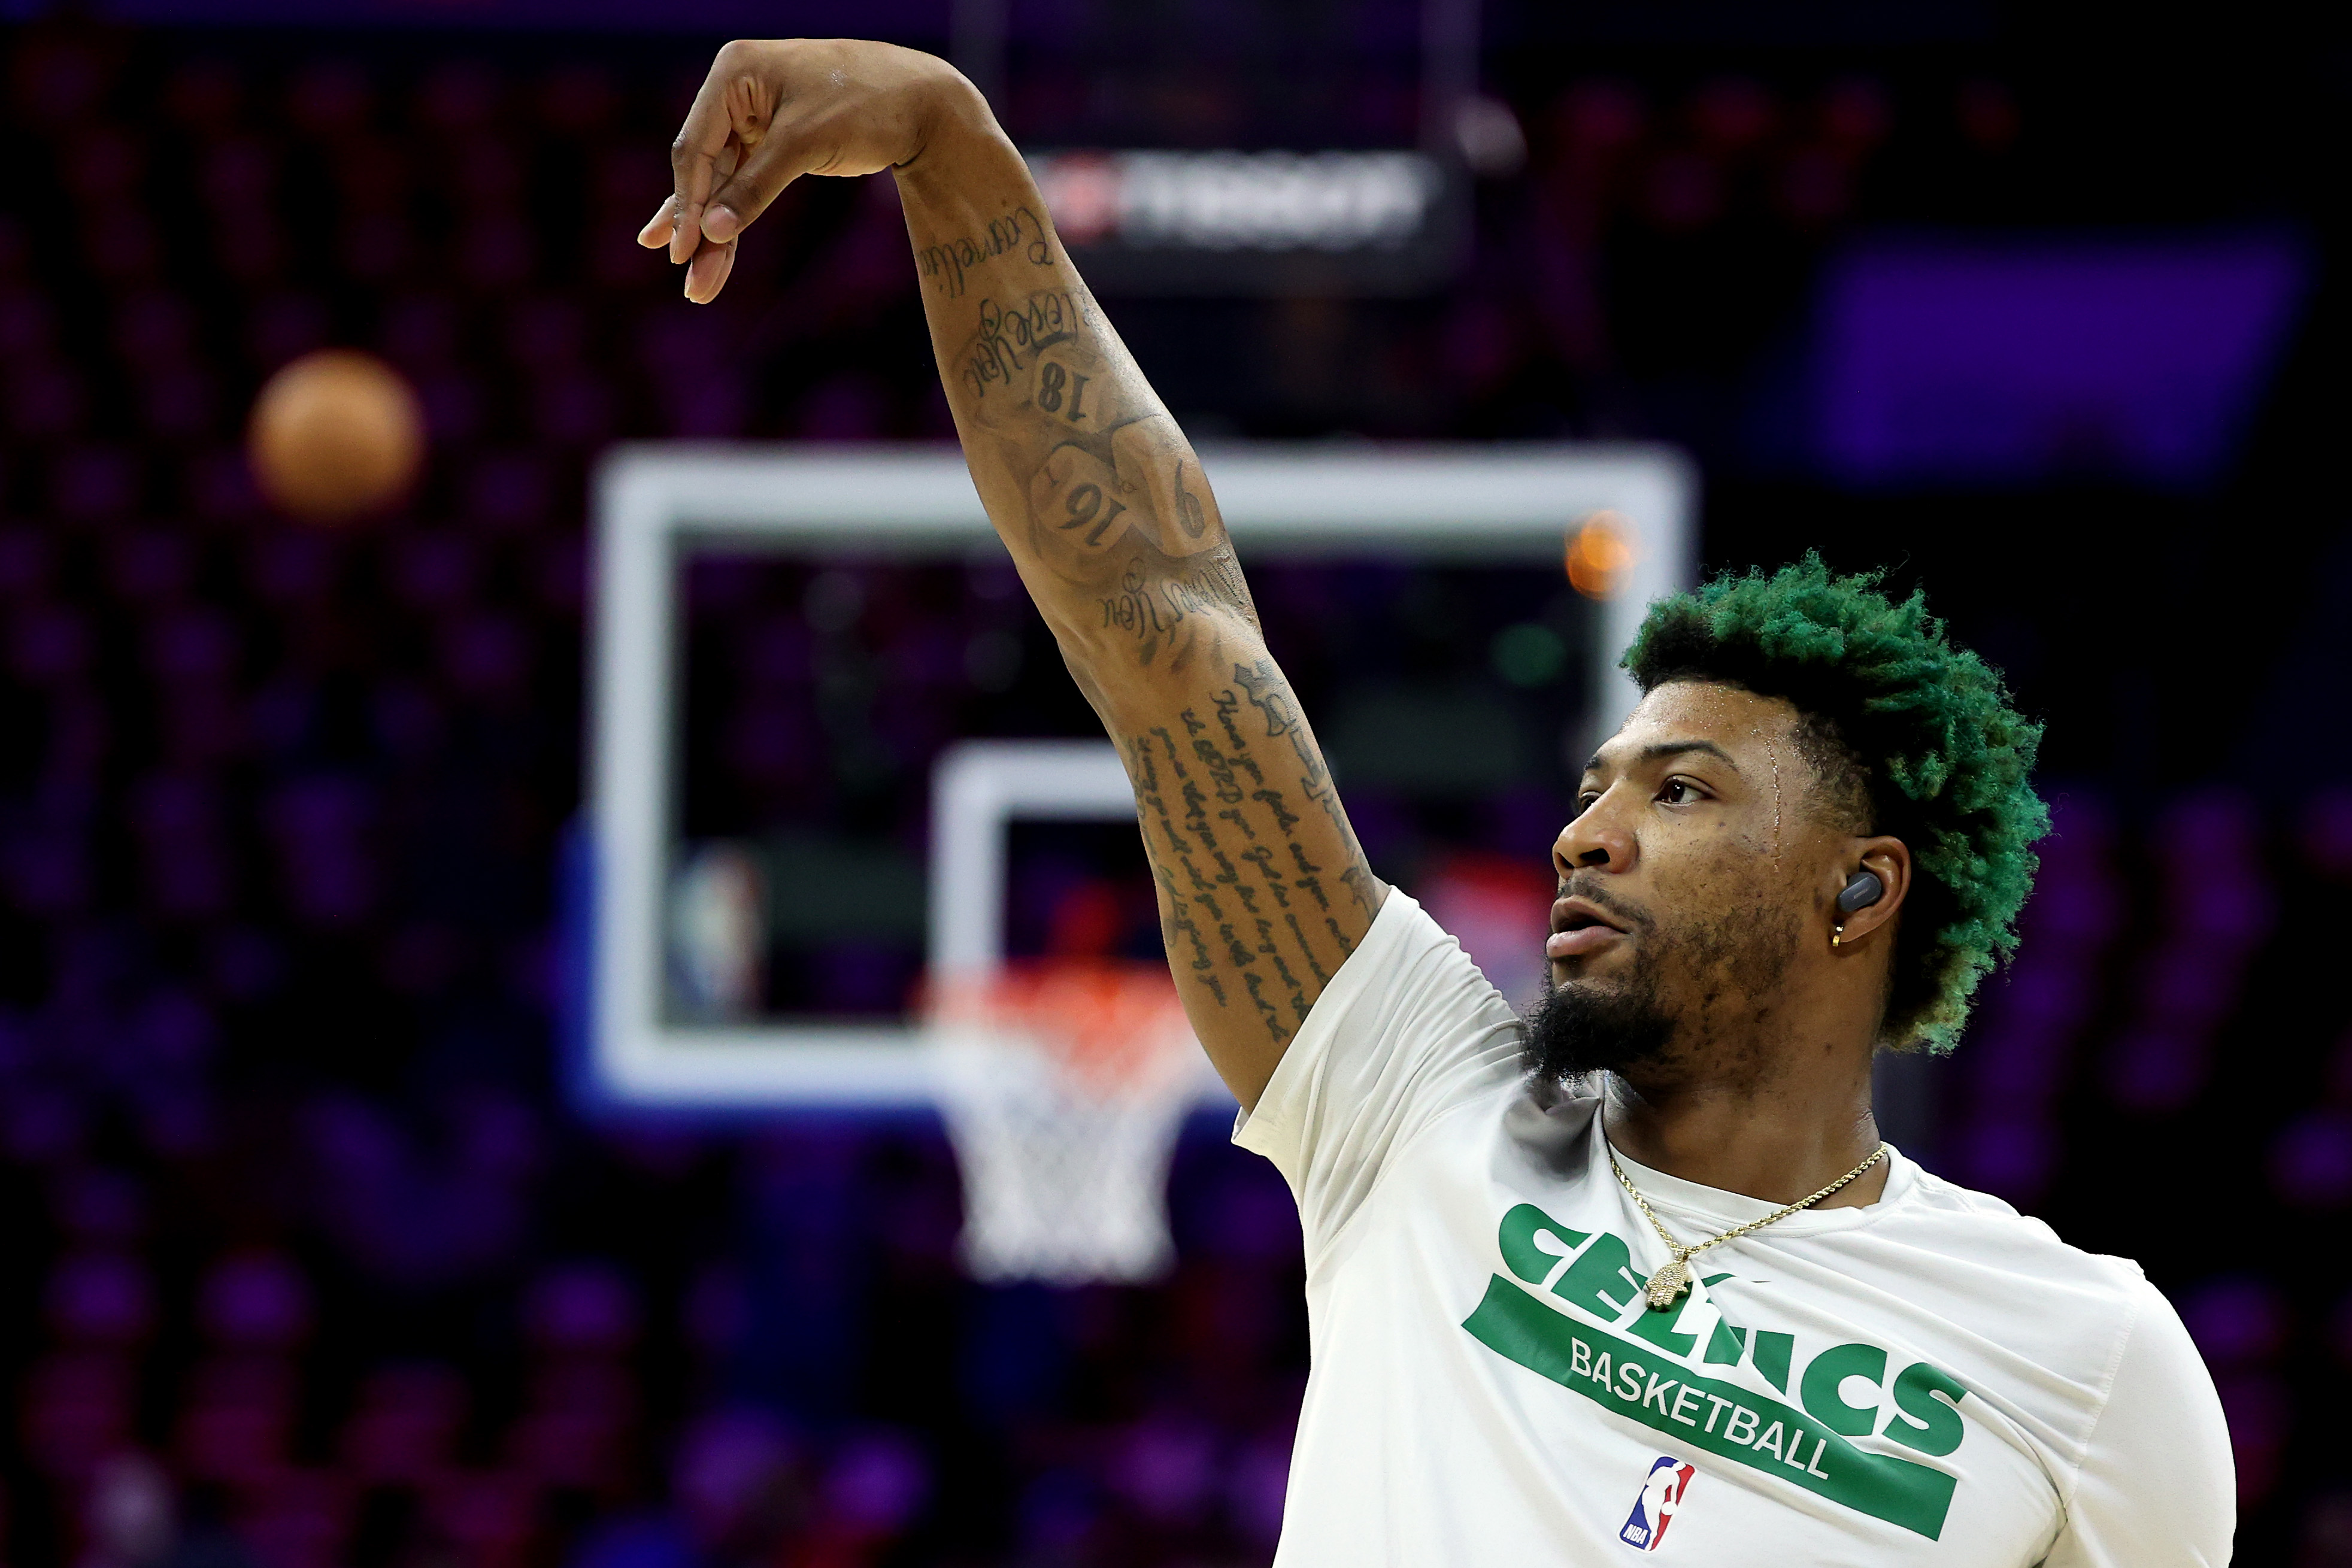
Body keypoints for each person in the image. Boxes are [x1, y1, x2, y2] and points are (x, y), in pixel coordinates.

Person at [638, 41, 2234, 1565]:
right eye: (1598, 782)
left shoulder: (2088, 1362)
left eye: (1681, 790)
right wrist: (952, 148)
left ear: (1859, 889)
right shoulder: (1417, 1093)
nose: (1585, 833)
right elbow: (1165, 614)